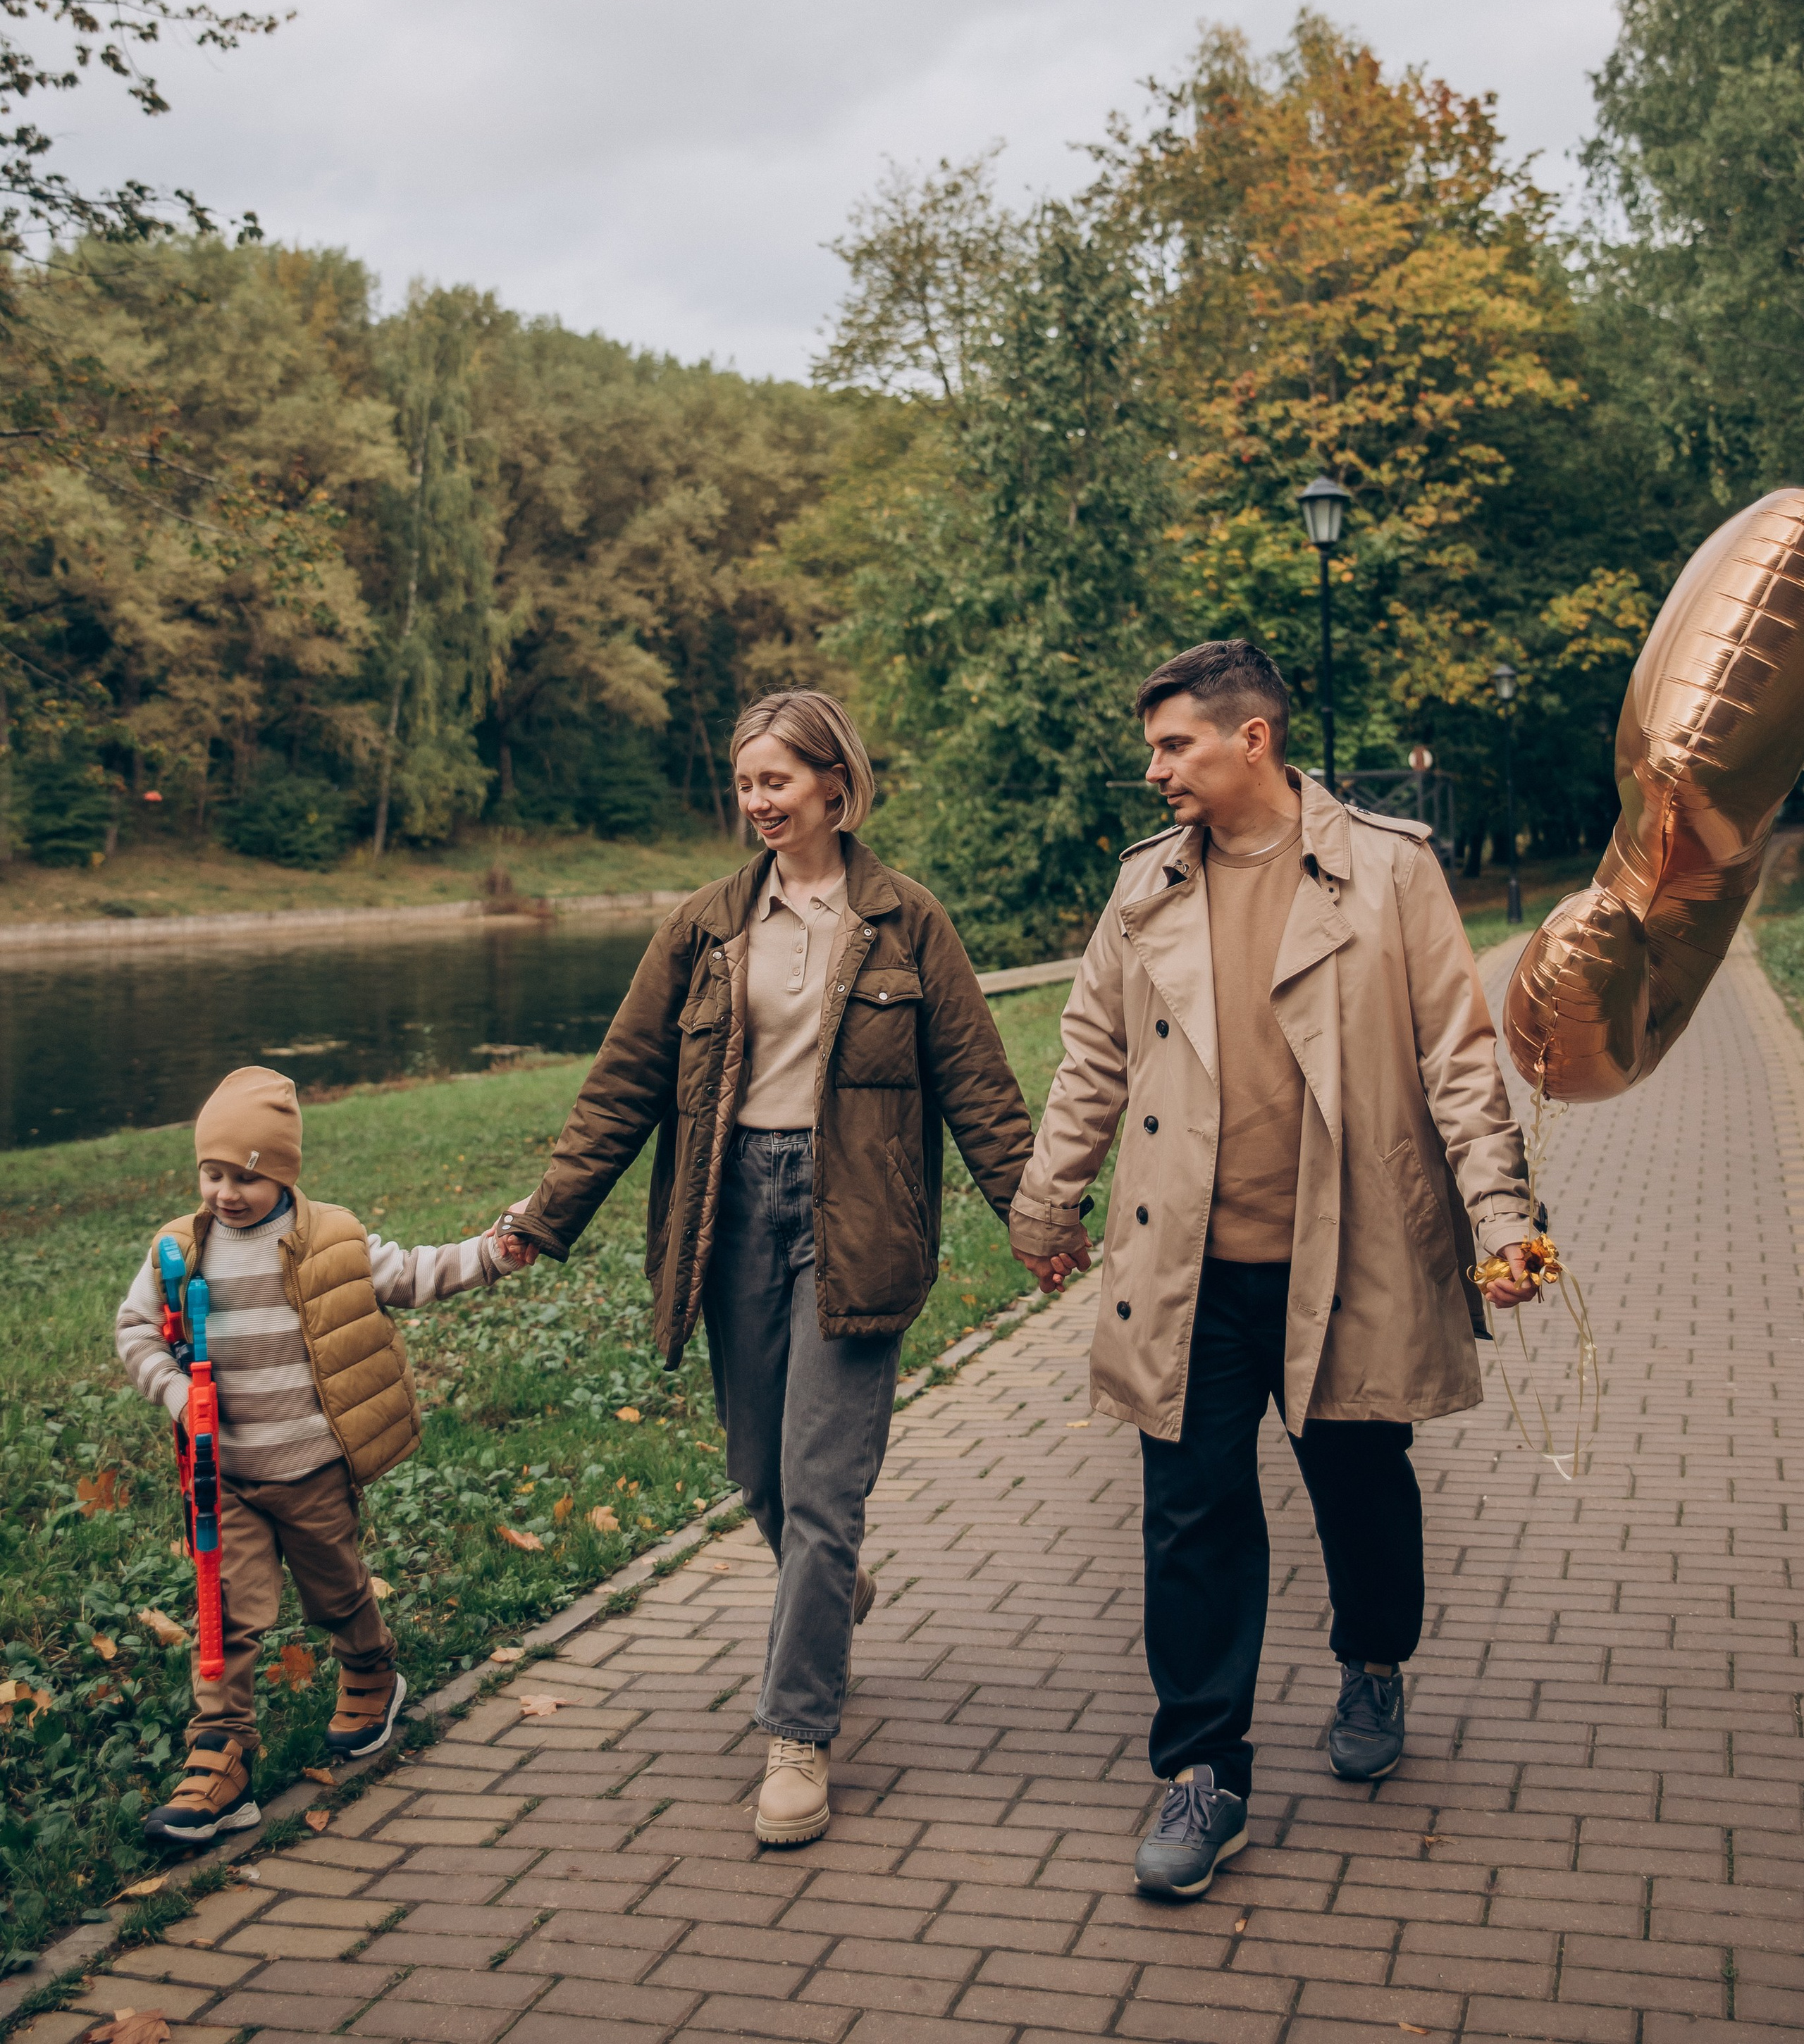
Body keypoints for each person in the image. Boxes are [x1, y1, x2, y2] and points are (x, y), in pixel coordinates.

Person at [1008, 640, 1537, 1901]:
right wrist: (1046, 1200)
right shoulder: (1146, 886)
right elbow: (1092, 1050)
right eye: (1154, 747)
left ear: (1254, 740)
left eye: (1175, 744)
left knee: (1360, 1485)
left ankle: (1373, 1659)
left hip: (1346, 1256)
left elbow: (1462, 1059)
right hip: (1183, 1267)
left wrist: (1502, 1218)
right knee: (1191, 1518)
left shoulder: (1388, 873)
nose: (1156, 771)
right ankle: (1203, 1773)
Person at [499, 688, 1033, 1850]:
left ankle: (797, 1737)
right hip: (730, 1209)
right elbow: (624, 1084)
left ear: (835, 785)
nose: (758, 801)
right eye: (745, 784)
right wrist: (548, 1215)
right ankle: (828, 1592)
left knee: (823, 1478)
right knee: (761, 1470)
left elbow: (982, 1089)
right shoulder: (703, 926)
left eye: (777, 781)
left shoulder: (908, 923)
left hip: (857, 1215)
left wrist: (1036, 1217)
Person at [116, 1063, 535, 1846]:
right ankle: (221, 1756)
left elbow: (411, 1274)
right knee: (226, 1618)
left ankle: (372, 1672)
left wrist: (492, 1254)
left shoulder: (330, 1240)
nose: (225, 1192)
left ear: (281, 1173)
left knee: (337, 1592)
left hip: (311, 1468)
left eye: (245, 1176)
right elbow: (135, 1330)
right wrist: (178, 1396)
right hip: (228, 1477)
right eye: (211, 1173)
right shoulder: (179, 1252)